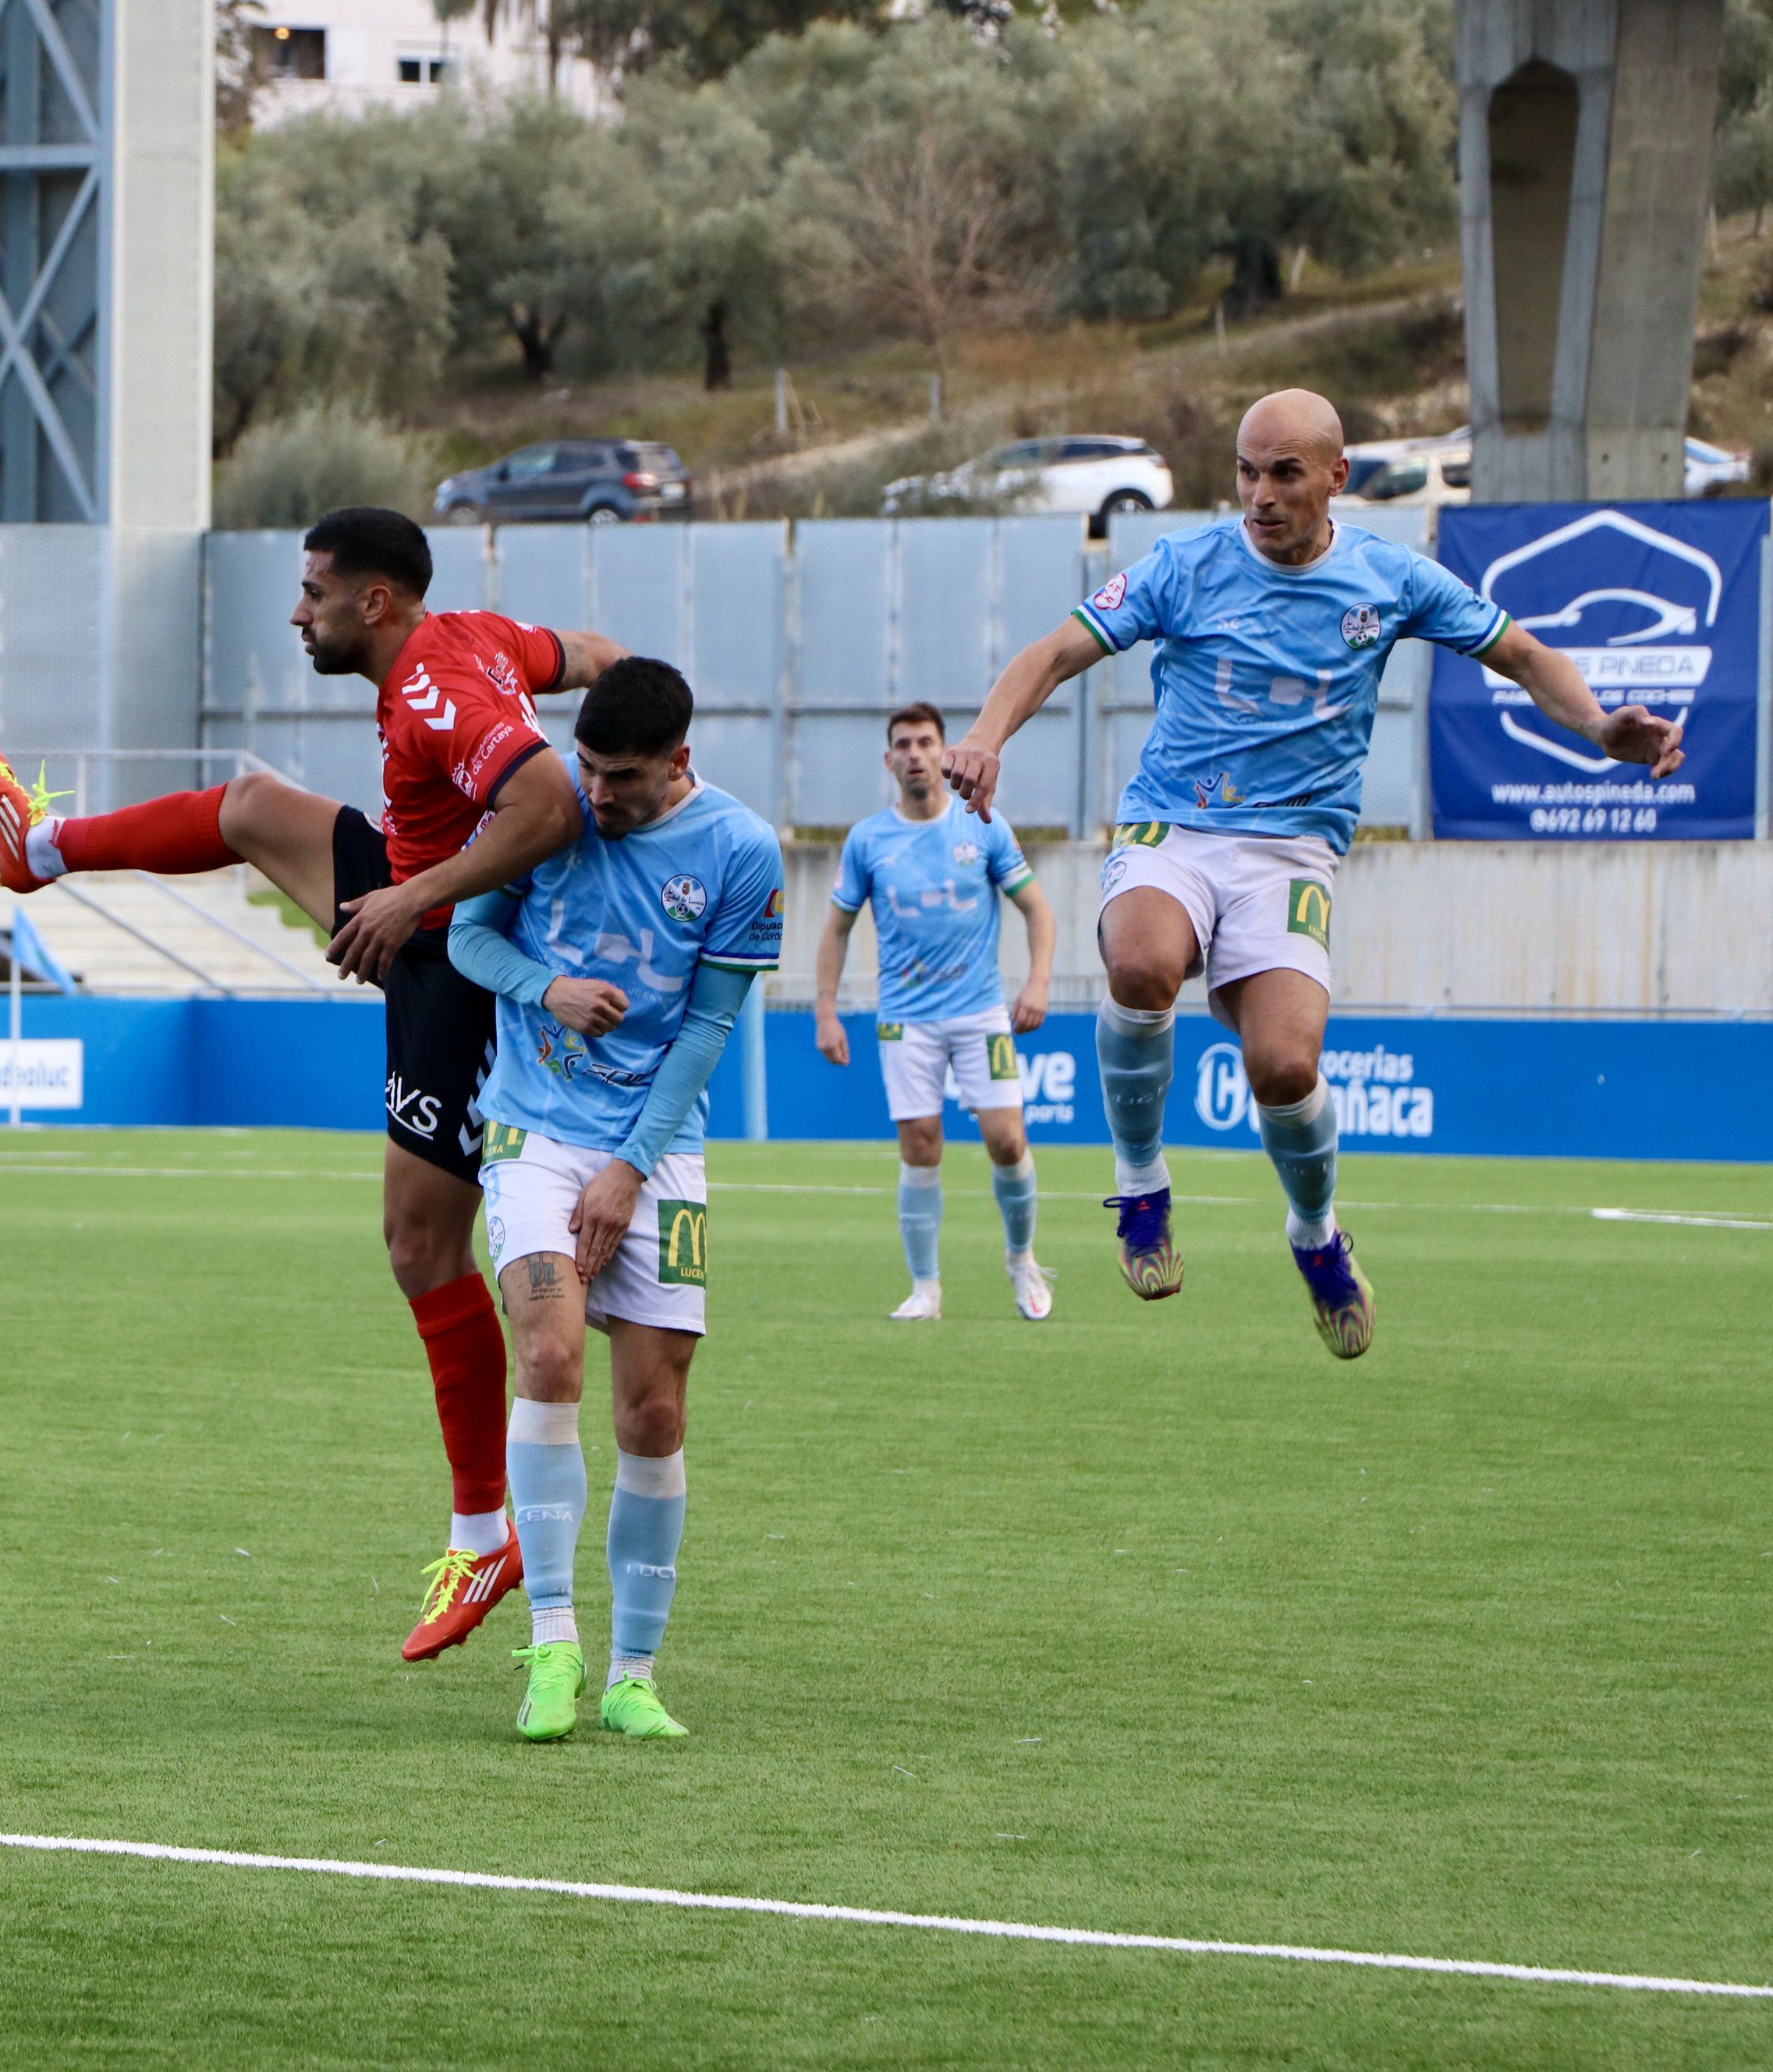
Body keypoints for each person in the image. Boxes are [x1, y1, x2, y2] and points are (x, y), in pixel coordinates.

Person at [0, 507, 625, 1660]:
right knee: (255, 808)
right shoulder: (476, 638)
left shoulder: (433, 691)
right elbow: (605, 663)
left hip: (461, 962)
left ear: (375, 602)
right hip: (423, 889)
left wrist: (416, 900)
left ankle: (486, 1534)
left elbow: (550, 808)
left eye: (313, 590)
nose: (296, 610)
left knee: (421, 1247)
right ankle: (42, 849)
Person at [941, 388, 1683, 1358]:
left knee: (1285, 1067)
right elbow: (1054, 652)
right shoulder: (1187, 565)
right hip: (1179, 823)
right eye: (1247, 471)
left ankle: (1316, 1236)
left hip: (1292, 849)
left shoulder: (1390, 577)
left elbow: (1526, 653)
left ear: (1337, 478)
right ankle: (1140, 1181)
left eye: (1285, 473)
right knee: (1140, 965)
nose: (1260, 494)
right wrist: (988, 737)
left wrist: (1598, 727)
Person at [445, 658, 783, 1742]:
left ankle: (634, 1674)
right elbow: (465, 932)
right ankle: (553, 1646)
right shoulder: (548, 812)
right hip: (534, 1127)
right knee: (547, 1355)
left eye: (622, 778)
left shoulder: (740, 851)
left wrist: (630, 1169)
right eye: (586, 767)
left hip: (658, 1145)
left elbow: (708, 1028)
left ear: (679, 763)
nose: (597, 794)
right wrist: (546, 987)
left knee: (654, 1411)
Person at [812, 702, 1055, 1322]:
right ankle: (926, 1289)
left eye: (926, 742)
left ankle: (1023, 1260)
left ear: (945, 753)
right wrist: (826, 1012)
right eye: (903, 744)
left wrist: (1038, 982)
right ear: (889, 759)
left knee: (1006, 1139)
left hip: (979, 1014)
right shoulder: (869, 839)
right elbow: (836, 929)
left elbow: (1038, 910)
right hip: (905, 1019)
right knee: (920, 1146)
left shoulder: (983, 826)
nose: (915, 754)